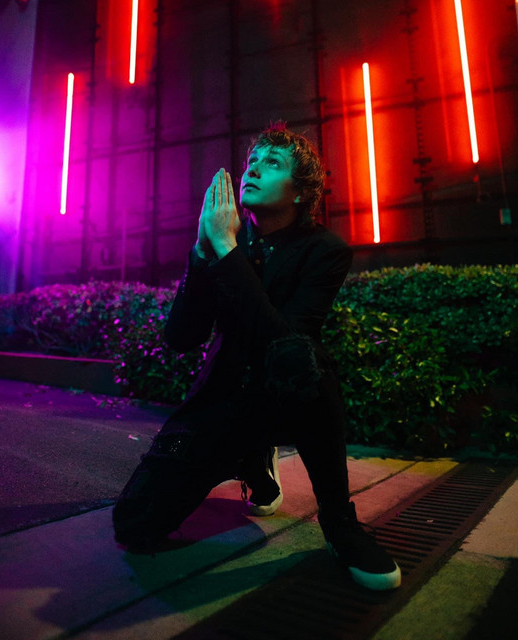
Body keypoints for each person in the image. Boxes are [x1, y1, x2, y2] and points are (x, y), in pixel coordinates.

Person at [112, 124, 401, 591]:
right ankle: (253, 456)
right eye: (252, 161)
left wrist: (227, 250)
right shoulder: (224, 240)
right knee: (135, 523)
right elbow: (182, 338)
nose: (253, 170)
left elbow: (284, 343)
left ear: (300, 193)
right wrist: (201, 251)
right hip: (224, 397)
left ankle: (339, 522)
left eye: (273, 163)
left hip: (288, 393)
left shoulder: (324, 251)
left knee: (309, 364)